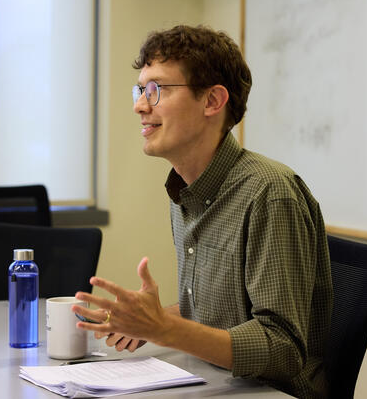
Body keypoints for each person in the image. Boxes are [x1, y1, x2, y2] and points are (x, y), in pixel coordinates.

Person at [72, 25, 332, 398]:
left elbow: (282, 349)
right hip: (213, 381)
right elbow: (213, 313)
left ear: (212, 101)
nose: (140, 105)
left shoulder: (269, 193)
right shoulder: (186, 190)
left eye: (156, 90)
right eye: (140, 89)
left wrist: (165, 330)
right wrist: (149, 321)